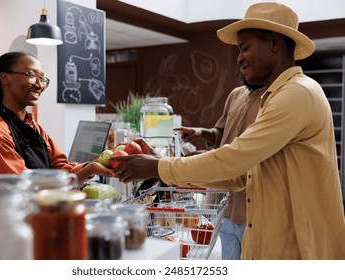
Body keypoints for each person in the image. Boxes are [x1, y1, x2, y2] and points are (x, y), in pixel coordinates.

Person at [111, 2, 345, 259]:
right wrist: (162, 166)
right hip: (267, 244)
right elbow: (242, 175)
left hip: (299, 249)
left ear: (275, 43)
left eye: (245, 48)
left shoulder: (297, 92)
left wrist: (159, 167)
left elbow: (234, 159)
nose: (239, 58)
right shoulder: (273, 96)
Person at [0, 52, 114, 184]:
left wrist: (91, 166)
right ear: (5, 78)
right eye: (31, 75)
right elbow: (23, 190)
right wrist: (88, 171)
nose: (39, 85)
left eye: (42, 78)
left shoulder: (32, 126)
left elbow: (59, 168)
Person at [175, 81, 265, 260]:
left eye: (246, 51)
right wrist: (201, 132)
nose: (241, 59)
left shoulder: (276, 99)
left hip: (255, 214)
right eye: (240, 51)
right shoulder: (236, 94)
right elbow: (222, 134)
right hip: (226, 208)